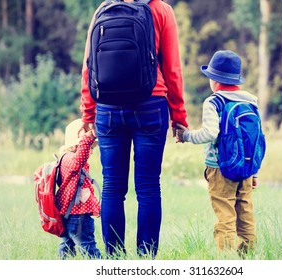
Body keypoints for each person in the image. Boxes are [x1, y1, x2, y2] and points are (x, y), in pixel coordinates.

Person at [79, 0, 188, 258]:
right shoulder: (161, 10)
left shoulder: (103, 9)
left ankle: (115, 260)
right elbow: (172, 69)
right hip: (151, 103)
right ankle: (146, 260)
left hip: (107, 107)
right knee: (148, 186)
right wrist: (179, 116)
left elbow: (88, 66)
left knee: (112, 187)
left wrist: (88, 111)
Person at [176, 50, 259, 256]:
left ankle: (227, 261)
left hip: (220, 169)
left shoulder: (214, 102)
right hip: (247, 167)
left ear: (214, 80)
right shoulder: (251, 101)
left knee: (225, 215)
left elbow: (210, 133)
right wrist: (254, 171)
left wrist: (186, 136)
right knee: (246, 213)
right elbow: (254, 139)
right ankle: (247, 256)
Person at [55, 119, 101, 259]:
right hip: (78, 217)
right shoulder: (70, 160)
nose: (91, 152)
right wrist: (89, 137)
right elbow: (79, 159)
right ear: (78, 145)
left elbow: (84, 192)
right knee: (89, 248)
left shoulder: (69, 162)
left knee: (67, 245)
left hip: (69, 215)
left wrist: (95, 208)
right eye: (91, 147)